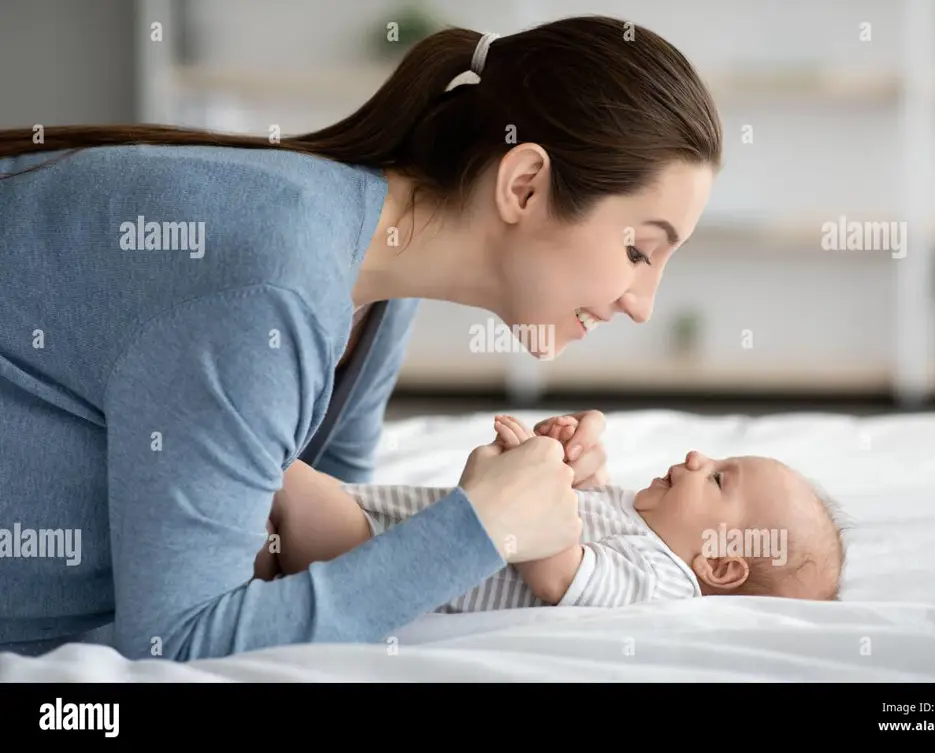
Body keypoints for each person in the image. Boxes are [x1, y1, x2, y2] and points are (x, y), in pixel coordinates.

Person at [0, 15, 722, 660]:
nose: (643, 303)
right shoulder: (275, 291)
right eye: (639, 250)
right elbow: (183, 639)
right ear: (525, 185)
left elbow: (316, 530)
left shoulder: (376, 282)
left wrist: (548, 504)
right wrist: (480, 528)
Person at [256, 414, 847, 606]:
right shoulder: (643, 521)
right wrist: (570, 459)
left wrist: (529, 477)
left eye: (719, 479)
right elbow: (585, 509)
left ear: (718, 566)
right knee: (268, 503)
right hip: (382, 520)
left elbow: (558, 570)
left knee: (273, 473)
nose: (697, 454)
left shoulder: (662, 581)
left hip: (384, 555)